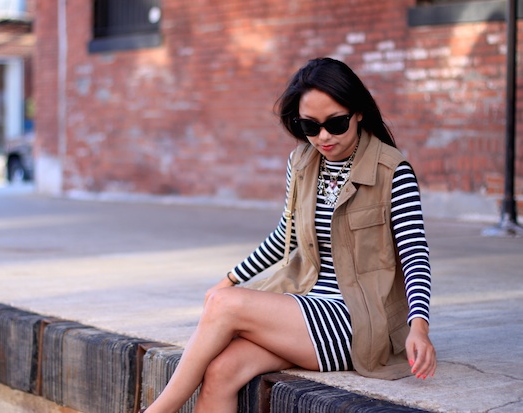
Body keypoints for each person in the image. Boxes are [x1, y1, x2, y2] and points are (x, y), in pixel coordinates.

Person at [143, 57, 436, 413]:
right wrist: (229, 278)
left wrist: (418, 327)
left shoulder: (393, 171)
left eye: (336, 123)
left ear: (358, 112)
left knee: (225, 304)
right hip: (308, 304)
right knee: (221, 371)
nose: (323, 137)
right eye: (310, 126)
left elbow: (414, 254)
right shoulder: (302, 162)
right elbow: (287, 235)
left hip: (358, 321)